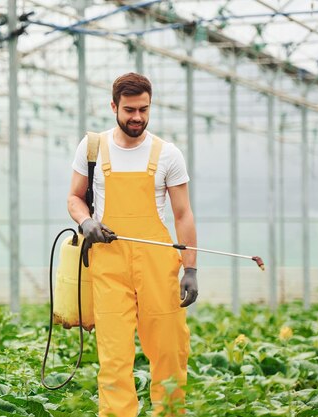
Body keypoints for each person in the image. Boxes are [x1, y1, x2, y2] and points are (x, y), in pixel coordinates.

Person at [67, 72, 198, 417]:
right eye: (129, 110)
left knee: (170, 349)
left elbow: (183, 215)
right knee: (114, 357)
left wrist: (191, 269)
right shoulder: (93, 148)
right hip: (110, 265)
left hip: (157, 264)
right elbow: (74, 198)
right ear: (114, 106)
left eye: (143, 109)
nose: (137, 117)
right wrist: (87, 222)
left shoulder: (167, 154)